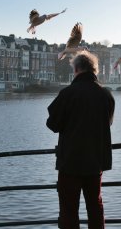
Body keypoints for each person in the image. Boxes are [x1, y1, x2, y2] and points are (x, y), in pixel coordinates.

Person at [46, 52, 115, 229]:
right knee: (95, 206)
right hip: (95, 161)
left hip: (70, 162)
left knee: (69, 210)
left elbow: (53, 124)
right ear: (95, 70)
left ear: (76, 69)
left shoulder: (68, 94)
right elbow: (108, 122)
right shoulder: (106, 95)